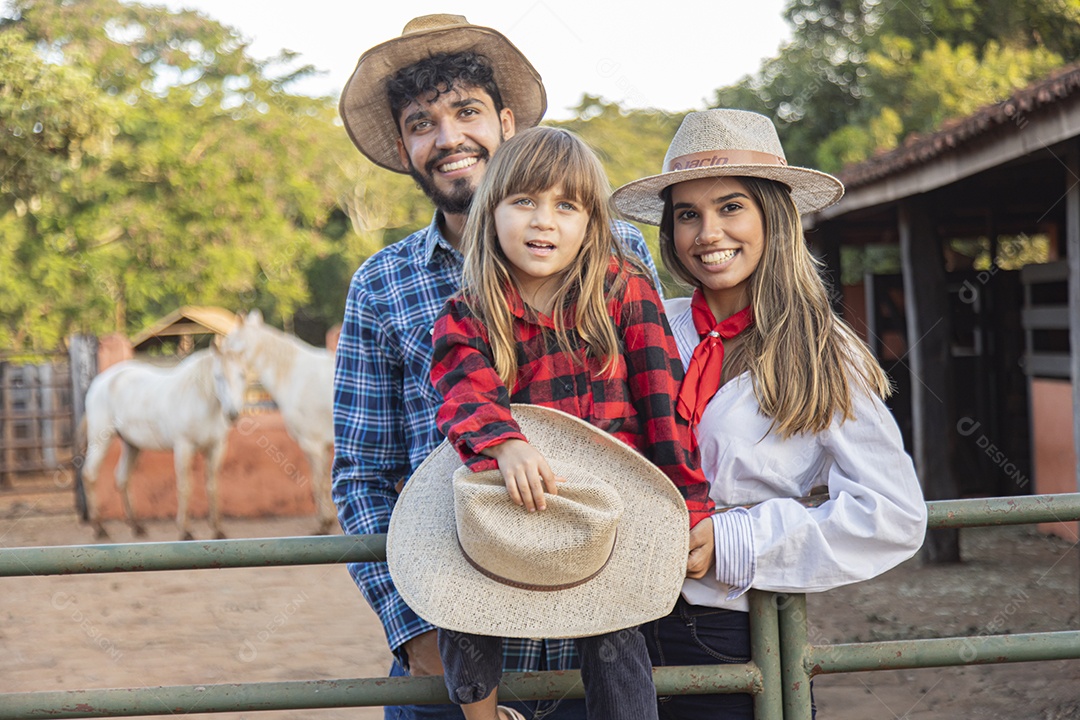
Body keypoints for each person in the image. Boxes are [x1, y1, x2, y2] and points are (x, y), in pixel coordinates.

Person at [331, 15, 659, 719]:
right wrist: (413, 625)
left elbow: (660, 417)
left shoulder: (619, 253)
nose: (448, 138)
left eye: (467, 111)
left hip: (596, 626)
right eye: (423, 122)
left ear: (507, 123)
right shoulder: (382, 284)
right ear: (403, 147)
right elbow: (361, 473)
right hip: (455, 645)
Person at [612, 109, 929, 719]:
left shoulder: (821, 350)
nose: (708, 233)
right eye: (687, 214)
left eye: (731, 207)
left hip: (736, 632)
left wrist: (733, 540)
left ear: (773, 216)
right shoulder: (651, 326)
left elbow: (892, 514)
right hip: (618, 626)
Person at [427, 125, 715, 720]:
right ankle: (482, 716)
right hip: (508, 496)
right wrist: (503, 442)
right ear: (492, 211)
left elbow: (665, 408)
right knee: (462, 597)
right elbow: (462, 388)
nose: (543, 222)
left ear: (590, 222)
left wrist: (690, 505)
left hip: (601, 504)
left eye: (566, 206)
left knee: (616, 635)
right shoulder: (470, 308)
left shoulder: (623, 289)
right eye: (524, 202)